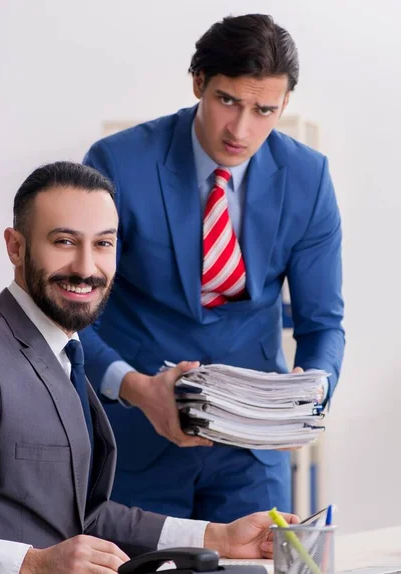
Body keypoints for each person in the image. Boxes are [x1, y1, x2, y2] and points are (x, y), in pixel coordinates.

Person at [0, 162, 298, 574]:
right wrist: (33, 565)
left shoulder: (62, 355)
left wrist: (217, 536)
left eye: (103, 244)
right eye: (64, 241)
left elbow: (86, 517)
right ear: (16, 247)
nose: (86, 267)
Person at [79, 13, 345, 523]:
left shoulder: (309, 179)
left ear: (284, 103)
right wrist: (135, 388)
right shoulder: (118, 162)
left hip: (252, 449)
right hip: (135, 435)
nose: (241, 129)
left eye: (264, 110)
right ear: (199, 82)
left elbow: (323, 325)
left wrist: (311, 395)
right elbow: (72, 314)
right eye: (227, 101)